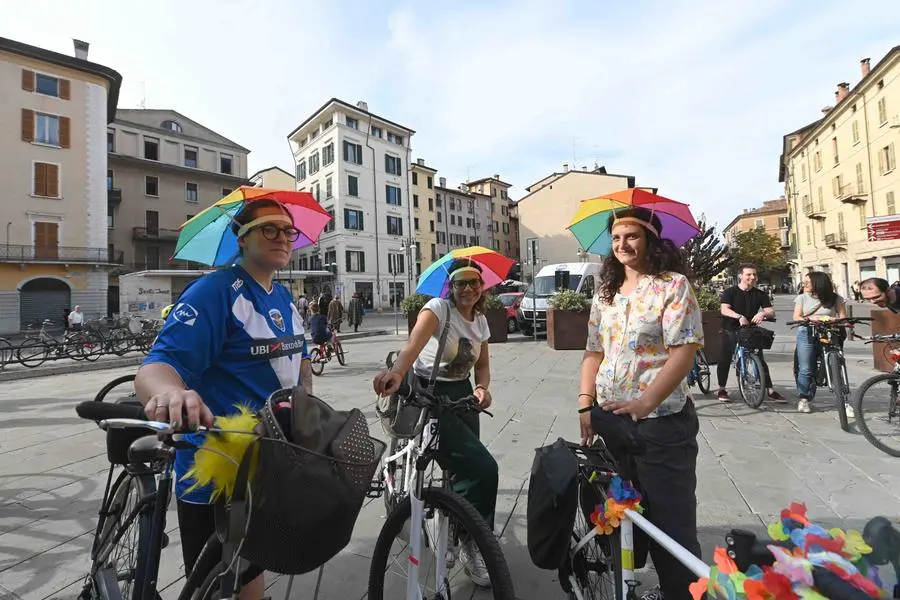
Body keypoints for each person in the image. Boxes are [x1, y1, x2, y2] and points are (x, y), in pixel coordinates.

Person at [134, 199, 313, 600]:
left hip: (269, 458)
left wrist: (306, 417)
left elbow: (300, 366)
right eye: (270, 229)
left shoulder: (283, 296)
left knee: (252, 563)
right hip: (217, 467)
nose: (283, 237)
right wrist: (171, 393)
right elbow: (155, 366)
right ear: (240, 237)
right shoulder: (213, 291)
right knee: (213, 584)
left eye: (288, 231)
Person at [577, 207, 703, 600]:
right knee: (619, 512)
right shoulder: (605, 294)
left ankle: (679, 592)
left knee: (671, 521)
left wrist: (646, 403)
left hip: (661, 424)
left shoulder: (672, 285)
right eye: (616, 238)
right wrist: (585, 405)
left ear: (650, 240)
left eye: (631, 236)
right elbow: (592, 352)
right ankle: (625, 583)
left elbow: (685, 351)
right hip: (609, 420)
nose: (622, 244)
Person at [372, 259, 498, 588]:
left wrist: (483, 387)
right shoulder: (438, 309)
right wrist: (396, 374)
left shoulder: (481, 322)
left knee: (462, 472)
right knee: (483, 469)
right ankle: (474, 541)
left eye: (474, 282)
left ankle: (456, 535)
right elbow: (412, 347)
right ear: (450, 287)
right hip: (431, 395)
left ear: (482, 286)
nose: (468, 288)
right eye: (461, 283)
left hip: (464, 397)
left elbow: (481, 367)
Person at [716, 264, 785, 403]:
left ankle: (770, 390)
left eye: (754, 274)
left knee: (759, 358)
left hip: (749, 329)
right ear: (740, 276)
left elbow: (771, 311)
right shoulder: (730, 292)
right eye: (748, 274)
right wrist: (738, 316)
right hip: (730, 328)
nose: (752, 277)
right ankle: (722, 388)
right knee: (724, 358)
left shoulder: (760, 294)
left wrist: (763, 313)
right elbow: (724, 309)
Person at [793, 271, 847, 415]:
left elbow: (843, 317)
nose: (804, 284)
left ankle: (844, 400)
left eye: (808, 282)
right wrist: (810, 319)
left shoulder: (836, 298)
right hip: (807, 332)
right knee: (806, 368)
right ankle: (804, 399)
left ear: (818, 283)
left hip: (830, 332)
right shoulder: (802, 298)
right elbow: (797, 316)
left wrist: (836, 320)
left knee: (837, 364)